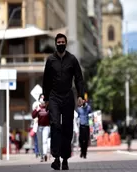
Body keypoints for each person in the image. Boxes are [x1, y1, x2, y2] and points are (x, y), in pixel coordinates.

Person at [43, 33, 84, 170]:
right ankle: (56, 158)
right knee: (55, 125)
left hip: (68, 97)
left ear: (66, 43)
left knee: (67, 127)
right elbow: (46, 81)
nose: (61, 44)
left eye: (63, 42)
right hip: (54, 97)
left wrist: (80, 95)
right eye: (58, 42)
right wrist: (46, 99)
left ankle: (65, 159)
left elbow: (79, 78)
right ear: (56, 44)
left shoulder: (72, 60)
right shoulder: (50, 60)